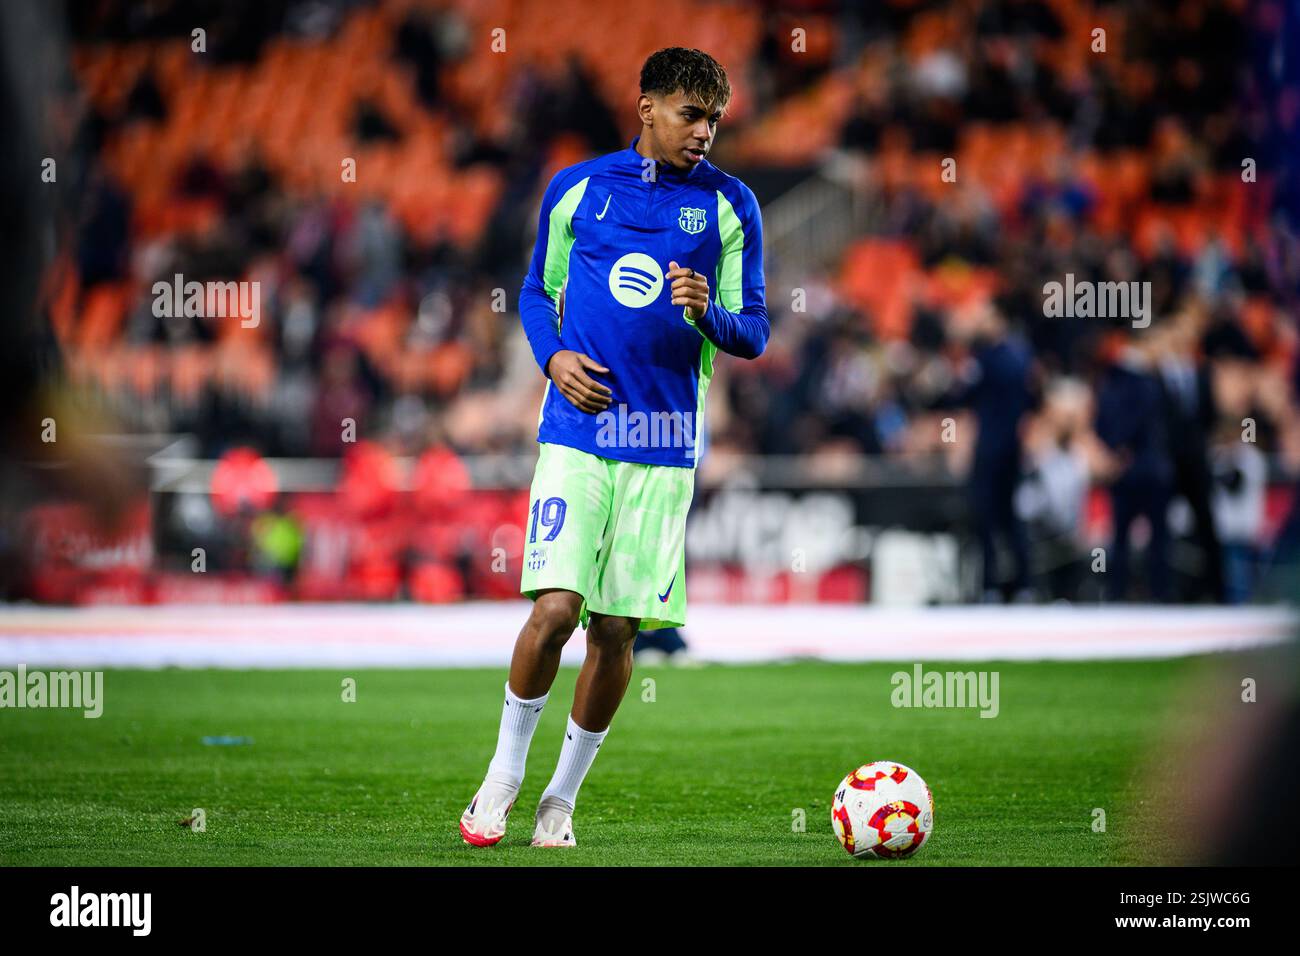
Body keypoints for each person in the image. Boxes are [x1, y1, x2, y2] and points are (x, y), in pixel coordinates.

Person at [458, 48, 768, 848]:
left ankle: (559, 800)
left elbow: (756, 331)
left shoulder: (732, 207)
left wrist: (710, 317)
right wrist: (553, 359)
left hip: (663, 444)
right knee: (556, 608)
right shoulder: (577, 189)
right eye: (688, 115)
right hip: (579, 433)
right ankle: (503, 775)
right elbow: (536, 290)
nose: (702, 133)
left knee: (617, 632)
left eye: (713, 120)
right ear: (647, 108)